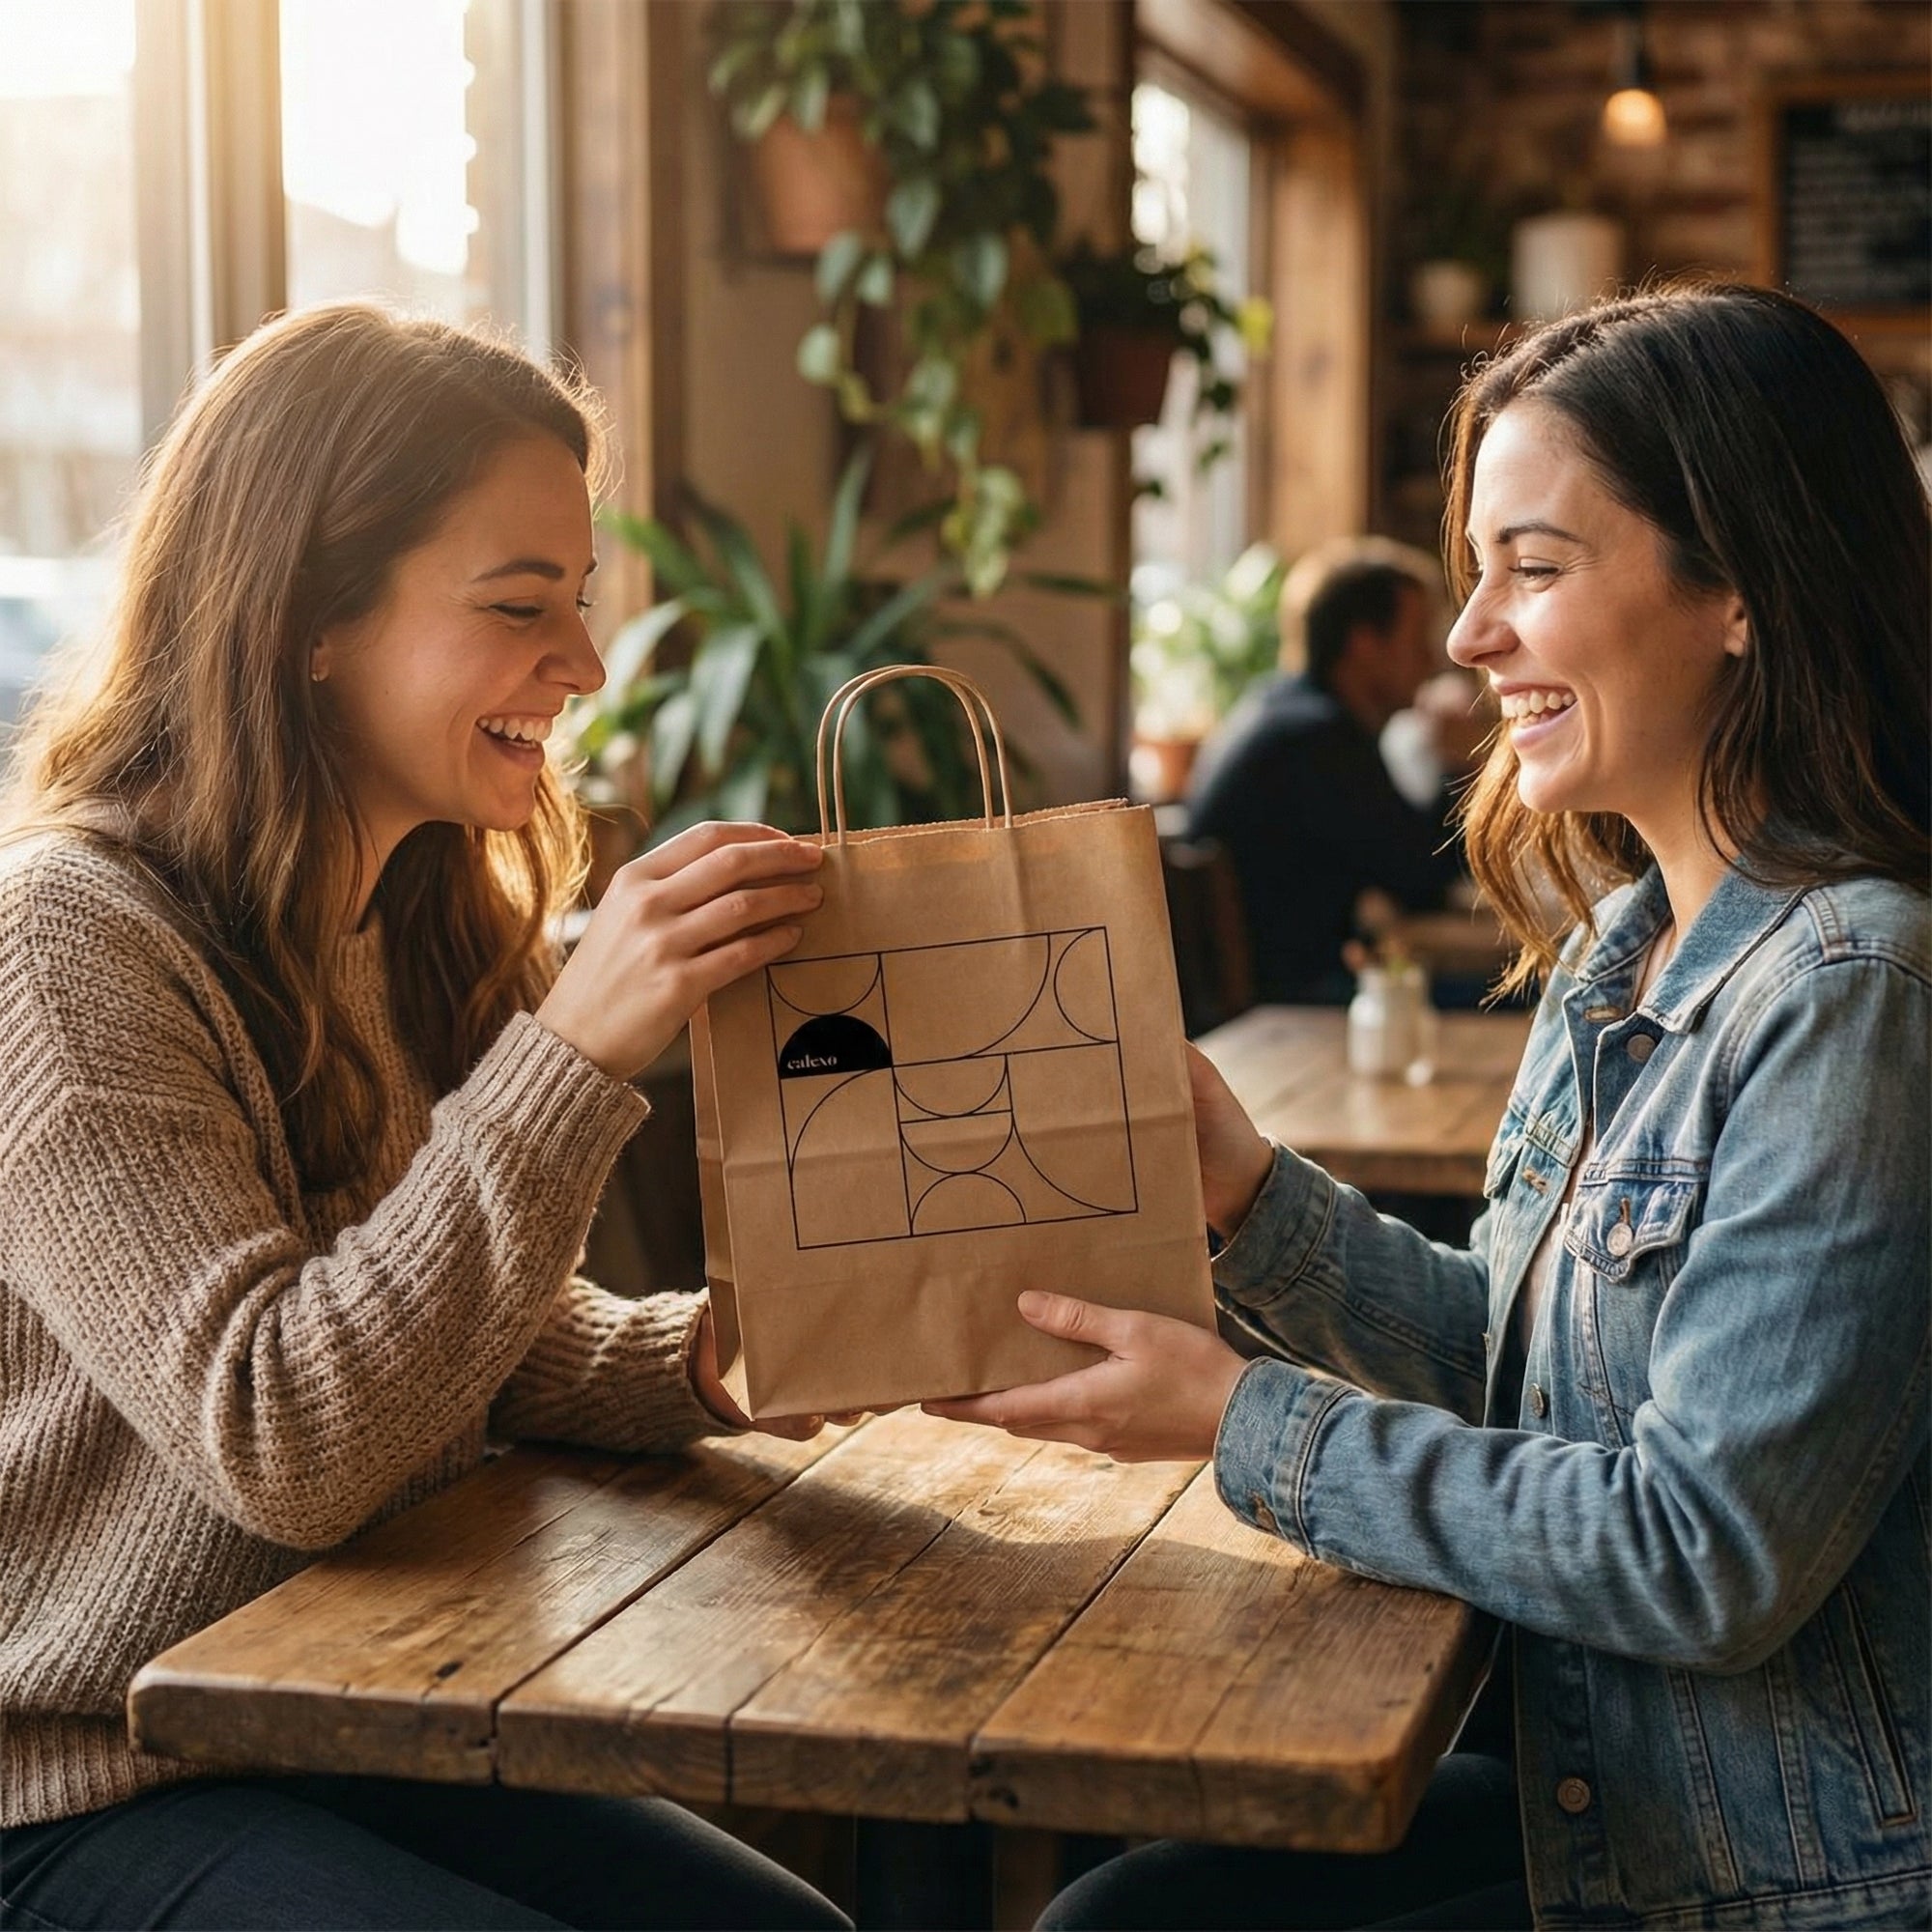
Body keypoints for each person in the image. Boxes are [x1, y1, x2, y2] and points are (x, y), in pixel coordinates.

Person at [930, 282, 1930, 1929]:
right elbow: (1537, 1386)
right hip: (1611, 1795)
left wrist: (1239, 1419)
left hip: (1779, 1879)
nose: (1468, 637)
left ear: (1743, 592)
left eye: (1532, 569)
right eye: (1476, 572)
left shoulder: (1855, 987)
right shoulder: (1621, 947)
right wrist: (1249, 1194)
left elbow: (1703, 1554)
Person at [0, 303, 849, 1930]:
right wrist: (576, 1052)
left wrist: (714, 1361)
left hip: (343, 1711)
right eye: (520, 607)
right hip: (84, 1780)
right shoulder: (65, 942)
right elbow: (283, 1435)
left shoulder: (408, 913)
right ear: (309, 619)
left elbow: (454, 1344)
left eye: (578, 601)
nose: (584, 665)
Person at [1184, 537, 1476, 1005]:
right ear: (1364, 644)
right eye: (1419, 637)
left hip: (1292, 986)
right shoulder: (1316, 739)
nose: (1434, 659)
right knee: (1523, 994)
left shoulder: (1285, 712)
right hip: (1290, 1004)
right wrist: (1457, 762)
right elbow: (1424, 877)